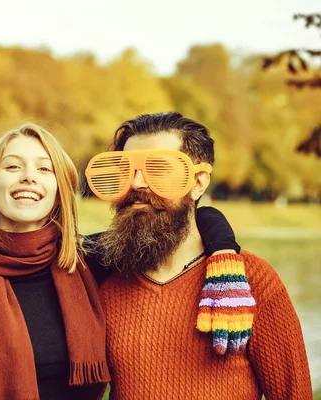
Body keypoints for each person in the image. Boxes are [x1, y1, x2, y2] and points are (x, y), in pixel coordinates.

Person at [0, 123, 238, 400]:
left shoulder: (91, 262)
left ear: (59, 190)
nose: (29, 176)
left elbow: (185, 217)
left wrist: (224, 254)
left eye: (44, 169)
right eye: (12, 166)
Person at [87, 112, 312, 400]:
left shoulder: (251, 281)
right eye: (126, 170)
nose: (137, 183)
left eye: (159, 168)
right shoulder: (103, 277)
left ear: (199, 183)